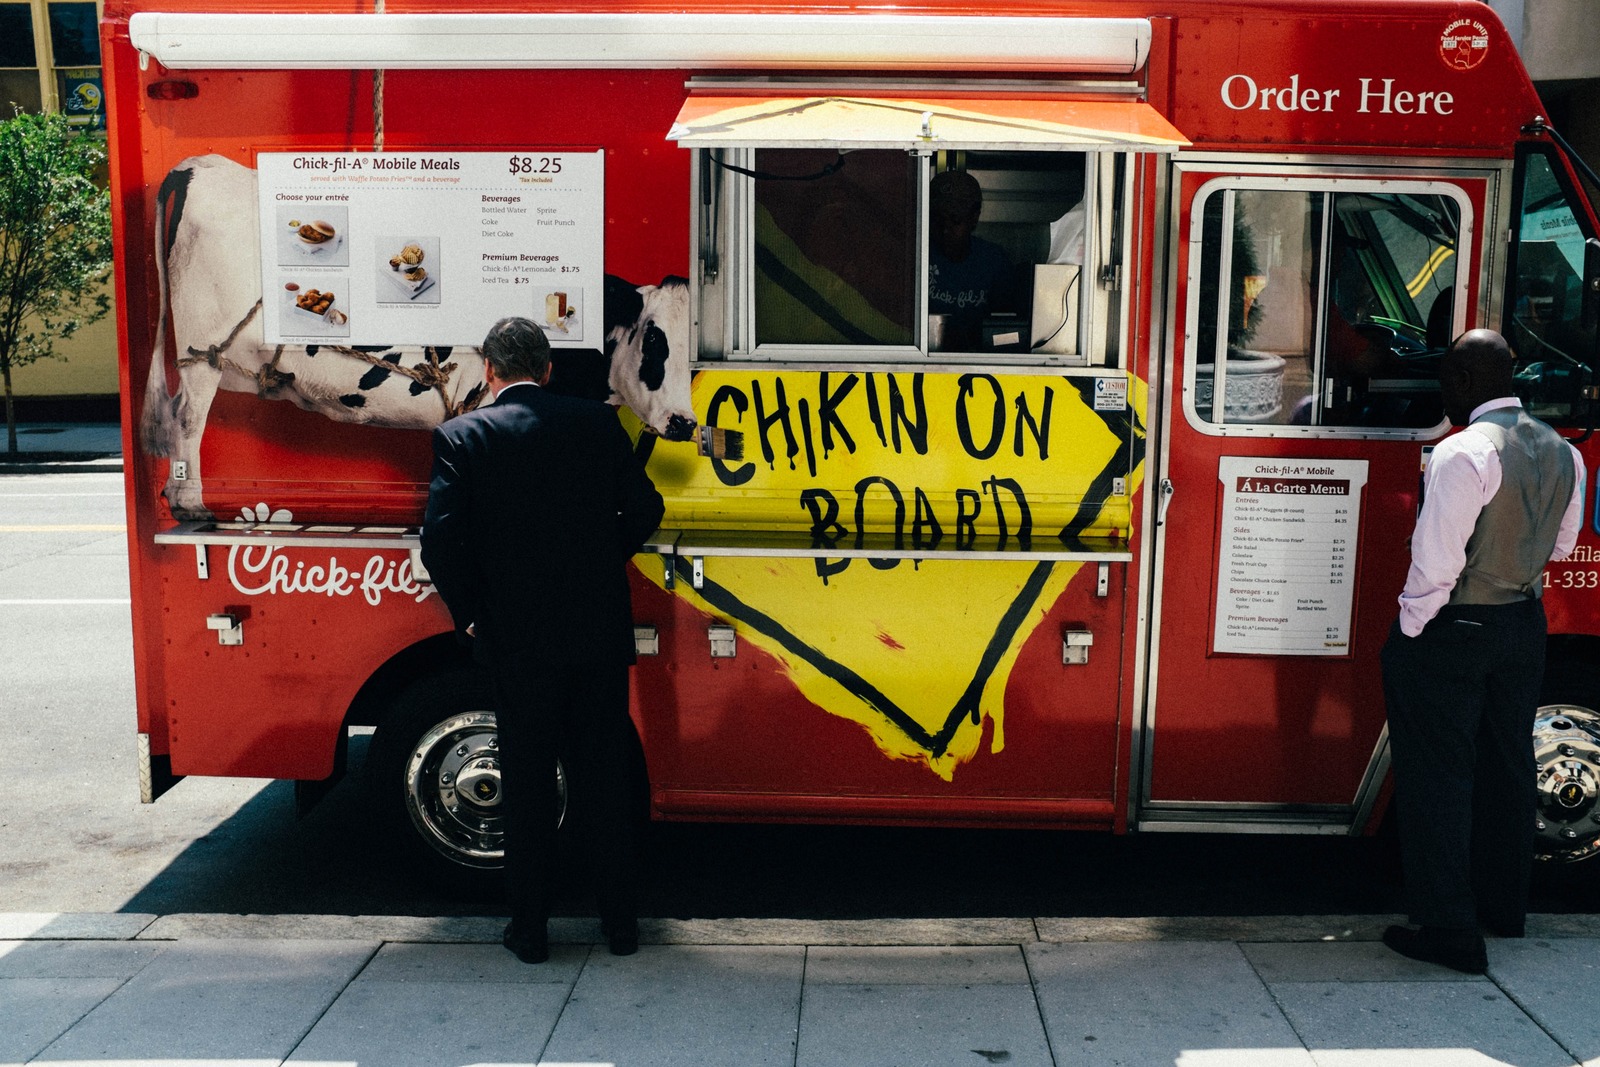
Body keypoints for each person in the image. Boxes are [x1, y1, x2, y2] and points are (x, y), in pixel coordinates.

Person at [421, 316, 665, 964]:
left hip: (517, 638)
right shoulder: (596, 424)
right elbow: (646, 508)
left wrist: (474, 614)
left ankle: (530, 930)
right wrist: (599, 561)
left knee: (527, 784)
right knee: (604, 778)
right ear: (549, 368)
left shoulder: (463, 436)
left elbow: (439, 539)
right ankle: (620, 927)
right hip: (595, 631)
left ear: (489, 370)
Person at [1380, 328, 1585, 974]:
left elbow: (1436, 565)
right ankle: (1504, 908)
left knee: (1440, 775)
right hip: (1524, 621)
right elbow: (1561, 546)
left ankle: (1449, 928)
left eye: (1446, 379)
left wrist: (1410, 631)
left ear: (1466, 381)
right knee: (1508, 767)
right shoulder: (1564, 451)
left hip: (1458, 625)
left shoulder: (1461, 451)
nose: (1442, 392)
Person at [928, 169, 1019, 352]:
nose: (945, 229)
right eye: (937, 219)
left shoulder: (994, 261)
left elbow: (1010, 333)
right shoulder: (916, 256)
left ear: (974, 218)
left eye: (955, 220)